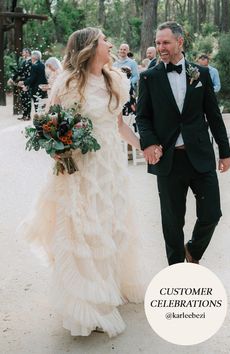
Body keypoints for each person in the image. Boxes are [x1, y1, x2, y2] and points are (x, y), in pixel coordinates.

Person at [19, 27, 151, 338]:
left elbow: (118, 125)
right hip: (79, 168)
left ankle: (109, 286)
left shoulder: (116, 79)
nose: (109, 43)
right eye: (105, 40)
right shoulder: (68, 82)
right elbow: (49, 123)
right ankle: (86, 301)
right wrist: (57, 149)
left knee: (110, 225)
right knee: (83, 229)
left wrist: (142, 146)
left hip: (110, 167)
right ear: (91, 48)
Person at [136, 21, 230, 266]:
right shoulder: (148, 77)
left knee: (212, 213)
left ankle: (193, 251)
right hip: (169, 160)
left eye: (165, 42)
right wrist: (148, 143)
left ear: (180, 42)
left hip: (200, 155)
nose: (161, 47)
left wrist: (225, 151)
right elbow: (143, 117)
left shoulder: (201, 74)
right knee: (172, 223)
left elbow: (213, 114)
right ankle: (176, 272)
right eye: (158, 43)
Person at [8, 48, 32, 120]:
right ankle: (25, 115)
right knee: (24, 99)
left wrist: (27, 83)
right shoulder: (24, 62)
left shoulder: (31, 61)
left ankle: (28, 116)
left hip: (28, 82)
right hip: (23, 82)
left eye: (24, 52)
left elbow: (30, 74)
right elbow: (20, 71)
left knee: (27, 99)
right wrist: (13, 78)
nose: (22, 54)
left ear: (27, 53)